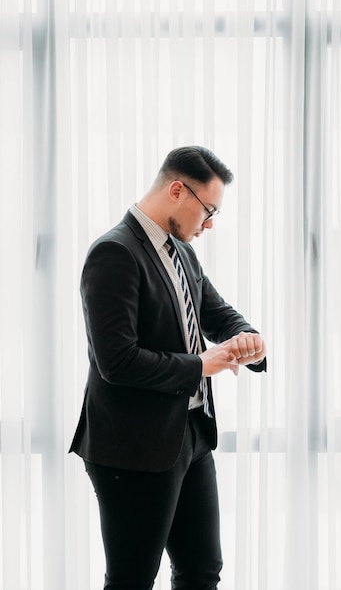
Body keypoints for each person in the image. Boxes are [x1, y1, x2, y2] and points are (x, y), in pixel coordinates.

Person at [69, 145, 267, 590]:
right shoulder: (113, 253)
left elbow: (216, 314)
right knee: (132, 580)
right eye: (208, 210)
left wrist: (248, 338)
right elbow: (117, 362)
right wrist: (202, 364)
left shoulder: (182, 251)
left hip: (191, 435)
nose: (210, 224)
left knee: (202, 572)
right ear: (178, 190)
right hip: (132, 447)